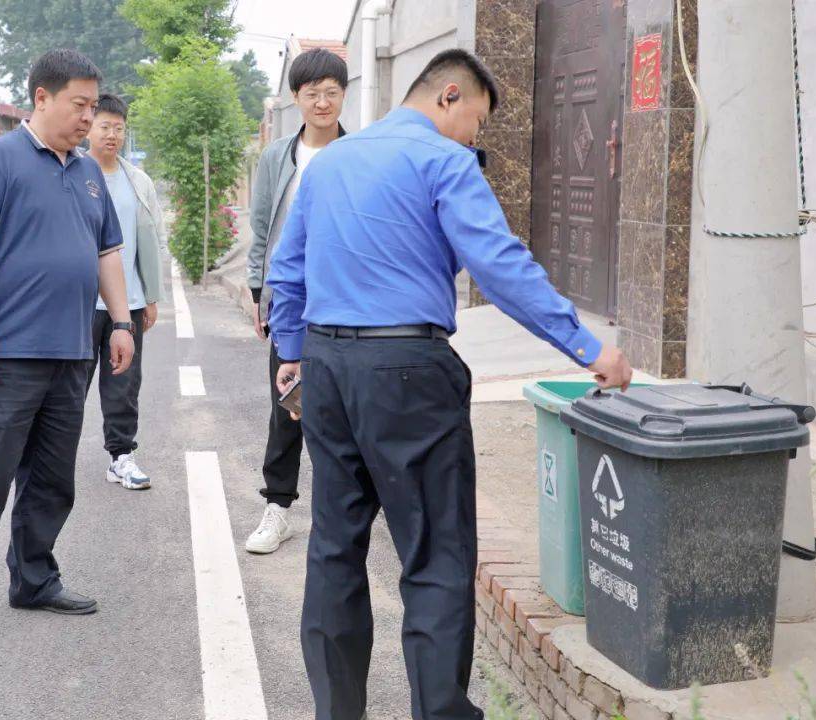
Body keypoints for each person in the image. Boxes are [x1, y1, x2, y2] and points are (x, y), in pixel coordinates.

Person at [266, 49, 633, 719]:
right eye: (477, 121)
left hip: (326, 367)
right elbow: (498, 265)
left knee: (334, 548)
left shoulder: (332, 164)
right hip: (407, 370)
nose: (475, 137)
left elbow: (287, 270)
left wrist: (292, 354)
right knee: (435, 552)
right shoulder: (443, 161)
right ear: (450, 95)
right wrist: (586, 345)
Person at [0, 49, 135, 643]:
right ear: (42, 97)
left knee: (51, 478)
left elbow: (107, 252)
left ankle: (34, 579)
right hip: (8, 352)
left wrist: (121, 323)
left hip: (71, 351)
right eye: (79, 105)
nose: (89, 117)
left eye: (94, 106)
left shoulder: (89, 172)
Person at [244, 47, 348, 555]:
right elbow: (262, 226)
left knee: (346, 408)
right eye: (313, 94)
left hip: (346, 298)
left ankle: (342, 511)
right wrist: (259, 289)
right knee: (287, 404)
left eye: (332, 92)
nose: (323, 102)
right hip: (289, 298)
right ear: (296, 99)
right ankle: (278, 507)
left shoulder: (360, 152)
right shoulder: (277, 156)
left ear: (344, 95)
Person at [84, 93, 167, 490]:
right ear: (89, 126)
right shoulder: (73, 173)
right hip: (80, 303)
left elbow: (152, 239)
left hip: (128, 304)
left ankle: (121, 457)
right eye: (105, 126)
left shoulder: (139, 182)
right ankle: (50, 458)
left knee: (123, 386)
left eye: (119, 127)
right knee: (68, 386)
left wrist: (151, 297)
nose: (113, 134)